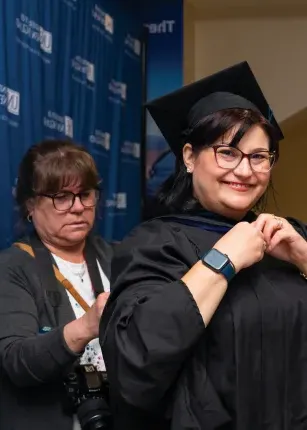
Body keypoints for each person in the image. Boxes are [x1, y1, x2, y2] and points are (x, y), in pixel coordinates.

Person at [100, 61, 307, 430]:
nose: (245, 171)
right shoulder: (154, 245)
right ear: (190, 157)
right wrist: (223, 259)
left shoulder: (286, 240)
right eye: (227, 152)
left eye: (259, 157)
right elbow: (134, 360)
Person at [0, 139, 112, 430]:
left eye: (85, 194)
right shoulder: (13, 267)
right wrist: (87, 325)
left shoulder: (116, 256)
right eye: (61, 197)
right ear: (30, 205)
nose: (77, 208)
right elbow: (17, 362)